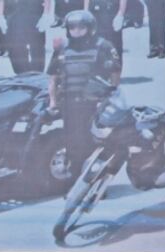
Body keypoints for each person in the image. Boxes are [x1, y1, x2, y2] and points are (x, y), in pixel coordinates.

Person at [48, 10, 122, 175]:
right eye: (72, 28)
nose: (77, 31)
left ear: (90, 28)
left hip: (94, 103)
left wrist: (111, 95)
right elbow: (53, 78)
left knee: (94, 141)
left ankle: (97, 176)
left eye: (81, 28)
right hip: (69, 103)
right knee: (72, 141)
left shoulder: (103, 46)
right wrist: (53, 101)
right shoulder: (62, 48)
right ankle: (75, 176)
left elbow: (115, 73)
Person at [0, 0, 53, 74]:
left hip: (34, 12)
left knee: (37, 47)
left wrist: (46, 15)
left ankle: (37, 73)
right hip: (13, 14)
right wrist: (0, 16)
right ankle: (22, 73)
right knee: (15, 48)